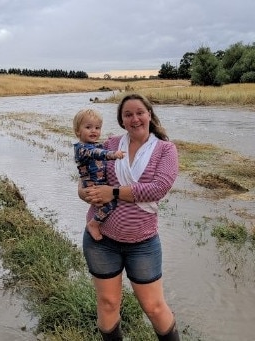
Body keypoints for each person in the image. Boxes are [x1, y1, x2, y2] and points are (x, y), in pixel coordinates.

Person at [78, 94, 180, 340]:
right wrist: (85, 192)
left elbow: (157, 189)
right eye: (128, 114)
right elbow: (89, 176)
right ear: (121, 120)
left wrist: (111, 192)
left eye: (139, 112)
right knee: (108, 303)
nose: (135, 119)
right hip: (102, 241)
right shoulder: (111, 145)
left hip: (143, 244)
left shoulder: (166, 150)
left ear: (149, 115)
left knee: (154, 308)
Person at [73, 108, 125, 241]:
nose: (94, 130)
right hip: (92, 185)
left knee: (108, 203)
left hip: (98, 184)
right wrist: (113, 154)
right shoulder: (82, 148)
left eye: (97, 127)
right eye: (88, 127)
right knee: (109, 205)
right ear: (78, 131)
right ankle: (93, 224)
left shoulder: (94, 145)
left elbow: (100, 148)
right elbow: (97, 153)